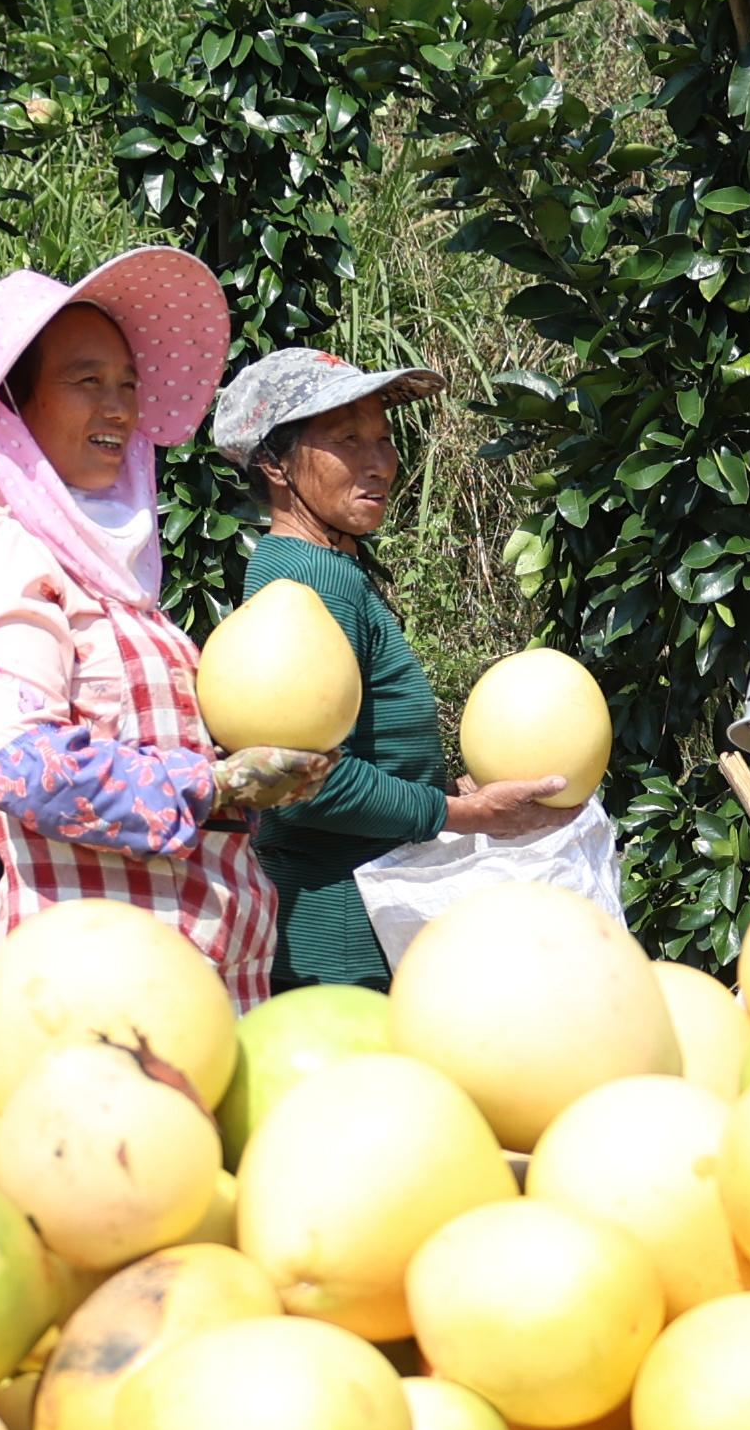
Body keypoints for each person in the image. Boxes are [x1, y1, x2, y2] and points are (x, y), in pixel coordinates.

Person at [0, 256, 332, 1000]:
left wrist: (251, 779)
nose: (119, 409)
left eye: (129, 385)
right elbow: (27, 768)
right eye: (87, 381)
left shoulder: (110, 576)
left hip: (187, 987)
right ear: (11, 406)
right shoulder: (0, 554)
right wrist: (214, 784)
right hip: (101, 993)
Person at [210, 350, 570, 990]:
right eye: (347, 440)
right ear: (273, 463)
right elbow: (303, 784)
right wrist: (465, 815)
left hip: (357, 923)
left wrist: (446, 793)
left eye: (383, 439)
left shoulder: (323, 569)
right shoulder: (307, 579)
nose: (379, 462)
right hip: (338, 943)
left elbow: (349, 753)